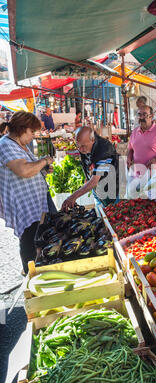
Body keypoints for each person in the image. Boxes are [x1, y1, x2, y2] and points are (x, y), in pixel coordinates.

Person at [0, 111, 56, 274]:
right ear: (22, 128)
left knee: (43, 233)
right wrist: (44, 160)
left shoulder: (19, 145)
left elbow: (30, 168)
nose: (33, 136)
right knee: (30, 237)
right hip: (24, 202)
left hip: (36, 199)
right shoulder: (6, 145)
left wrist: (43, 169)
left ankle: (44, 266)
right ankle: (31, 273)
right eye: (32, 132)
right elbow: (23, 170)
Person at [62, 126, 119, 210]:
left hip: (111, 191)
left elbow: (94, 181)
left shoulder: (104, 149)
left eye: (83, 146)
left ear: (92, 140)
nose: (80, 149)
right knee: (99, 216)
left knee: (111, 217)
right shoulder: (85, 145)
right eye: (78, 146)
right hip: (98, 190)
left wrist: (73, 197)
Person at [127, 105, 156, 178]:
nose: (141, 117)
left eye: (144, 115)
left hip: (155, 176)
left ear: (151, 116)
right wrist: (129, 158)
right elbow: (131, 149)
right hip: (137, 175)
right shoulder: (135, 132)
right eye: (139, 115)